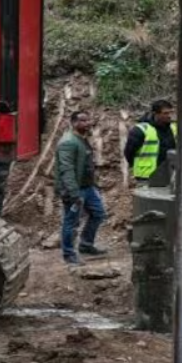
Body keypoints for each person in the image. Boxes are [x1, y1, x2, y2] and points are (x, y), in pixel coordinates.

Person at [55, 110, 106, 265]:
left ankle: (86, 244)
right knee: (71, 222)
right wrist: (73, 192)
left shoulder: (82, 139)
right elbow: (66, 169)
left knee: (98, 214)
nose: (88, 123)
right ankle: (69, 254)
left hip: (88, 188)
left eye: (88, 120)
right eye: (83, 121)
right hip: (75, 189)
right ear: (74, 123)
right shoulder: (68, 142)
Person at [123, 99, 177, 182]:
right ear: (155, 114)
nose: (169, 115)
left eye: (171, 112)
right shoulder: (141, 129)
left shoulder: (174, 128)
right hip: (146, 176)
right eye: (165, 113)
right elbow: (129, 152)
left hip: (169, 175)